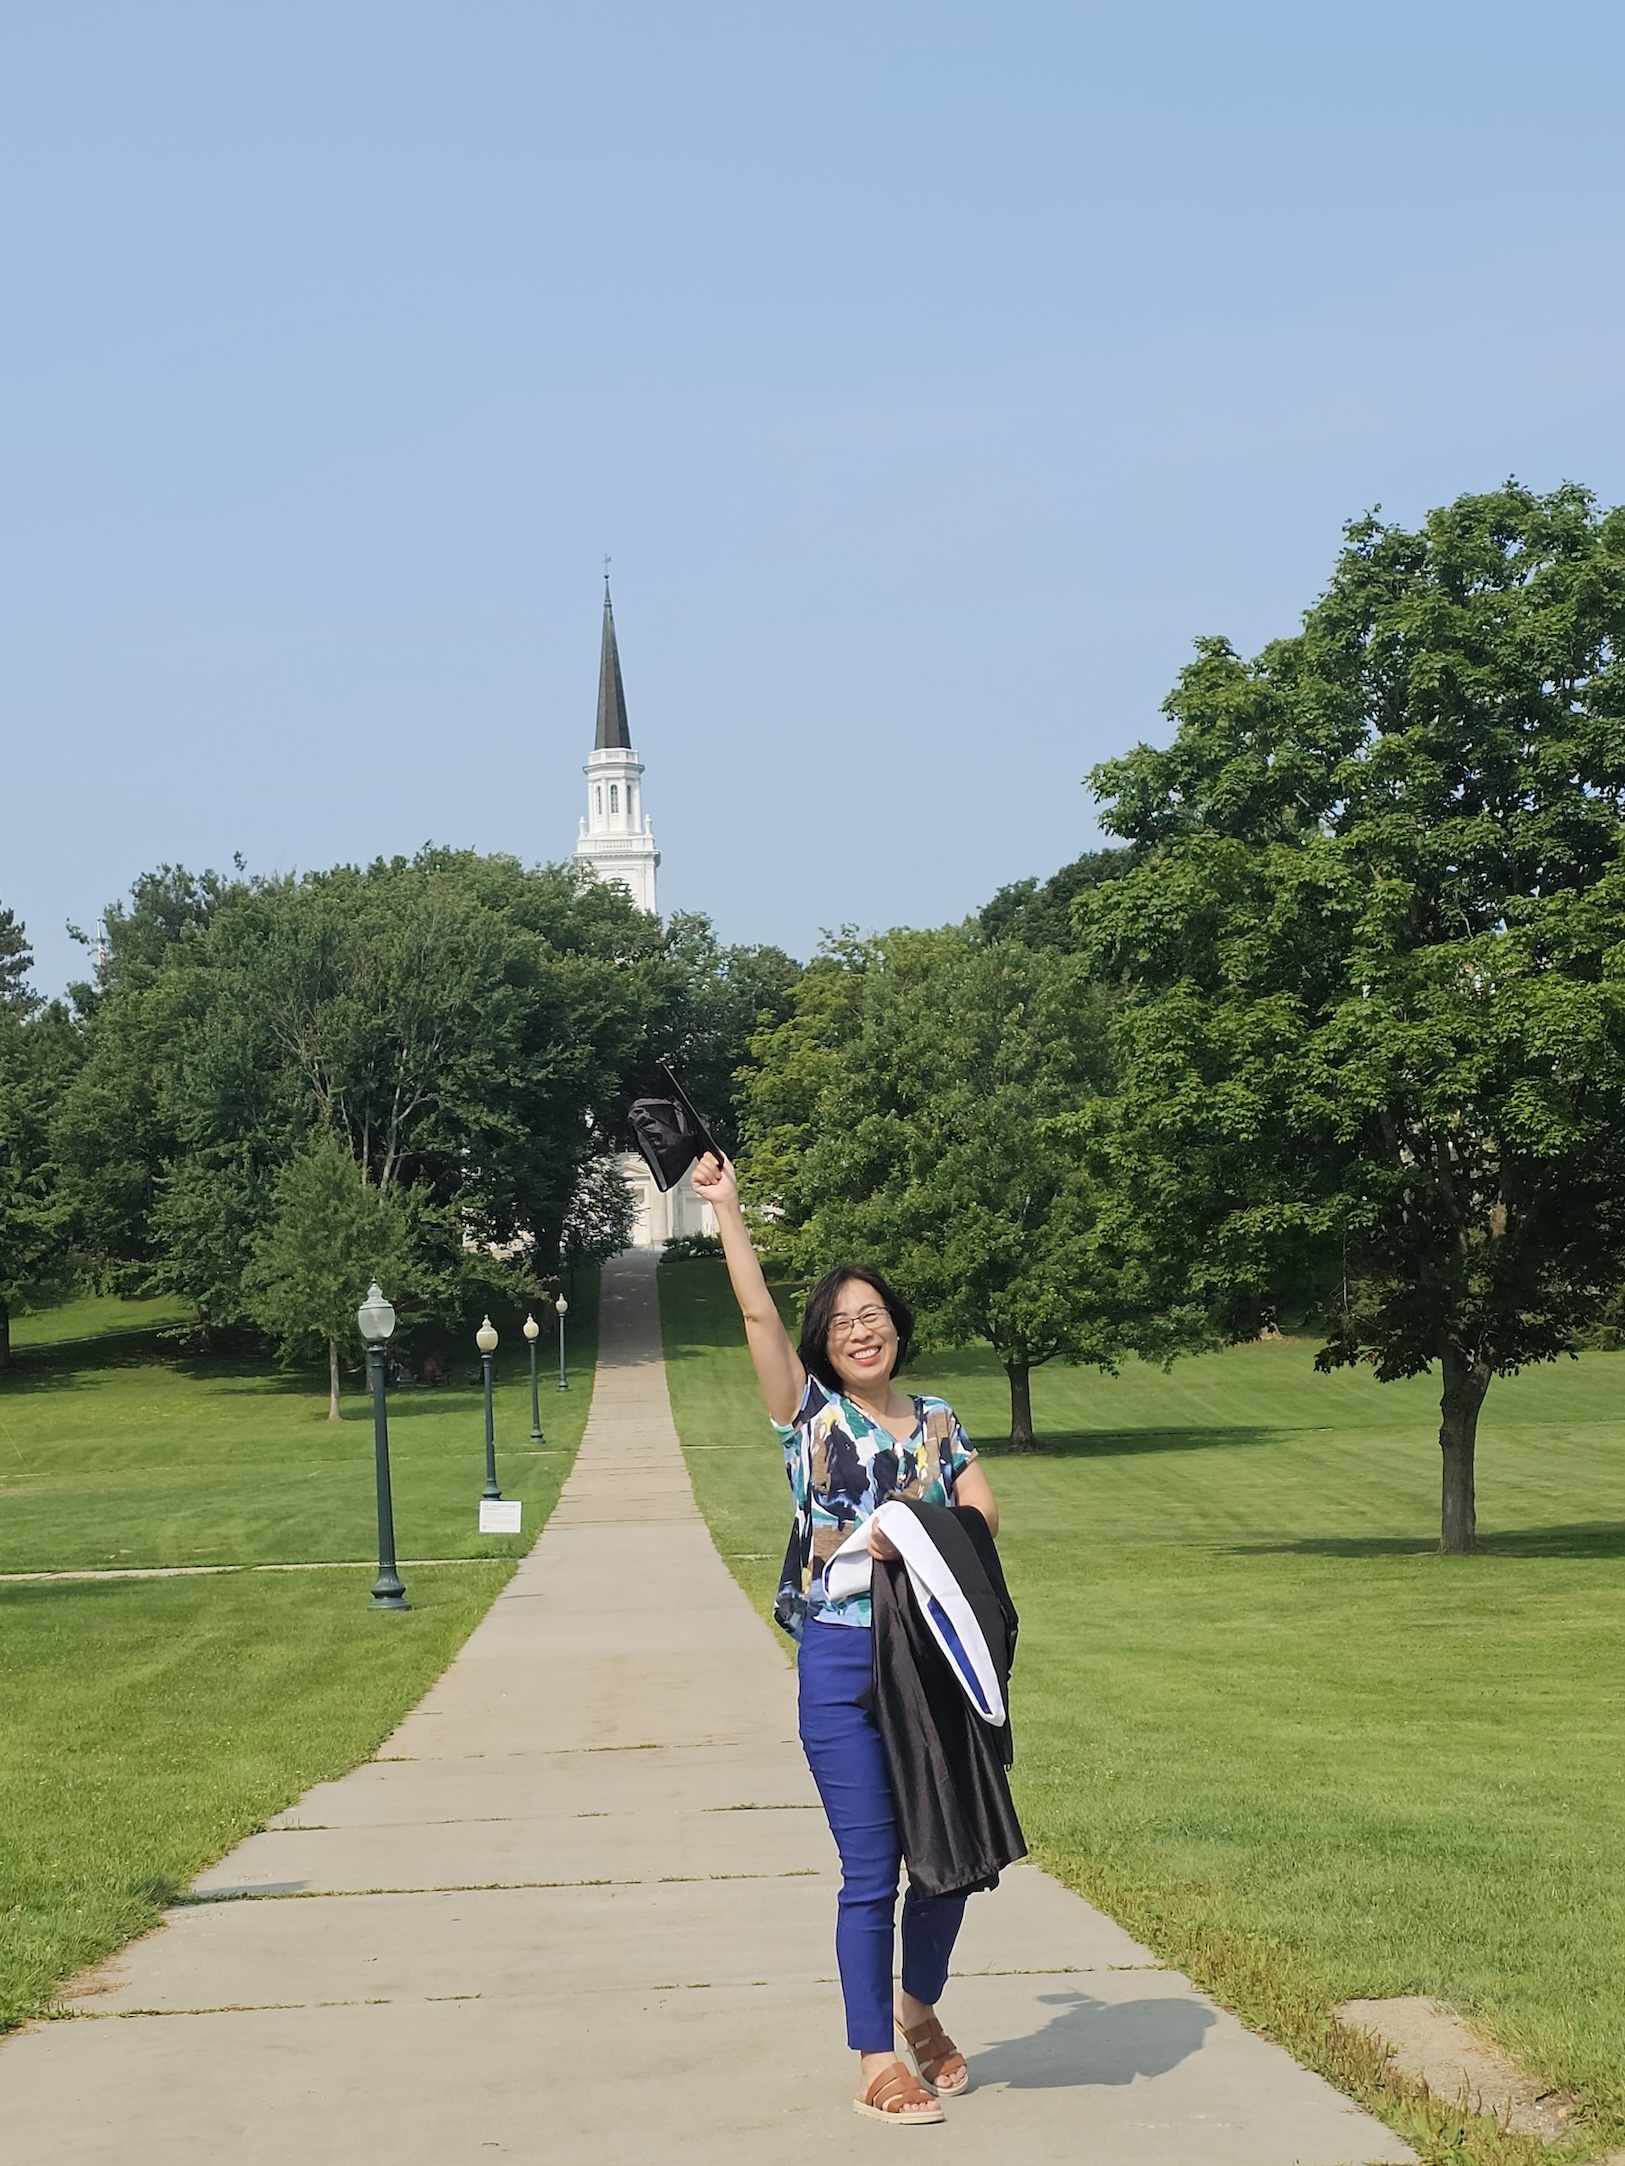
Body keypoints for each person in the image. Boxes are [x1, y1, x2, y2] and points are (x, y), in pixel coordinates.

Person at [692, 1149, 1001, 2127]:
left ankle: (917, 2006)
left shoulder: (938, 1421)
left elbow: (982, 1513)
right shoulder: (807, 1415)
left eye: (874, 1317)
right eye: (842, 1322)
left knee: (950, 1858)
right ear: (823, 1343)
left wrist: (912, 1528)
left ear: (896, 1330)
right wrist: (726, 1210)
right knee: (869, 1872)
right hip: (839, 1654)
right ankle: (875, 2055)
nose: (860, 1331)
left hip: (933, 1658)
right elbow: (756, 1319)